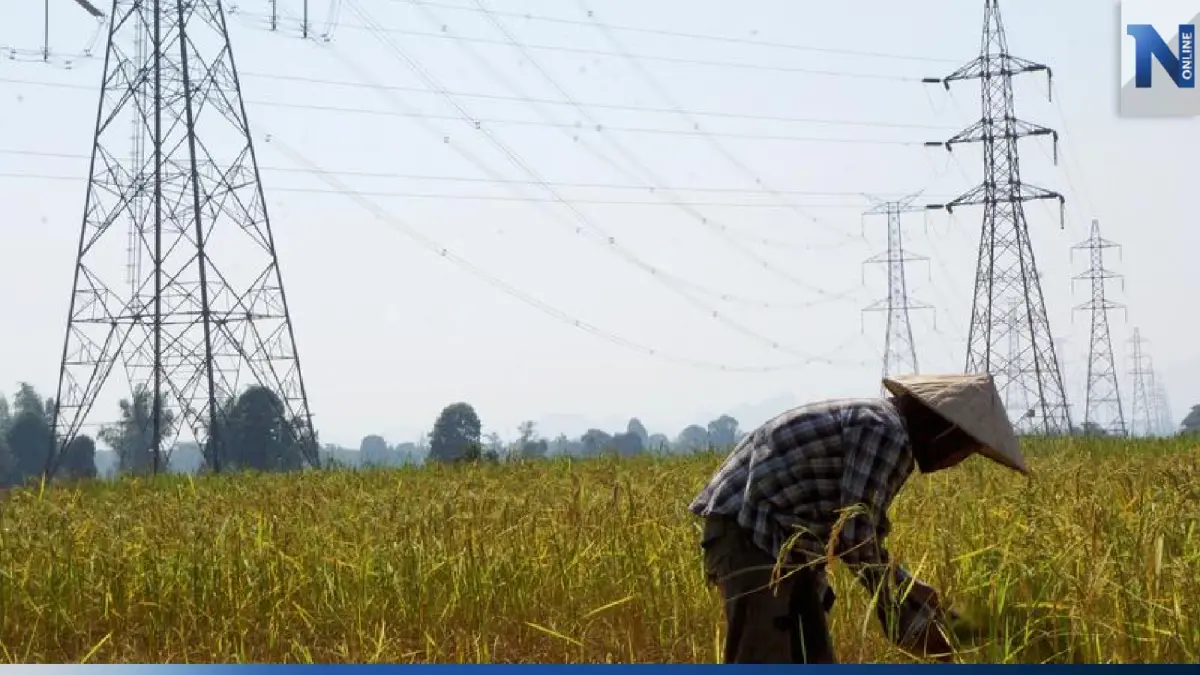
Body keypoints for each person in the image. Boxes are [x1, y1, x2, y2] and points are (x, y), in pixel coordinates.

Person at [689, 373, 1028, 664]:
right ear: (944, 430)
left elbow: (854, 531)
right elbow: (854, 536)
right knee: (763, 658)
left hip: (785, 546)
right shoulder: (887, 433)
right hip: (753, 535)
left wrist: (908, 588)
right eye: (961, 449)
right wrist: (902, 611)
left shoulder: (883, 425)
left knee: (815, 657)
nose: (953, 461)